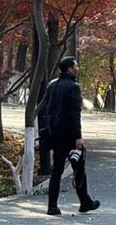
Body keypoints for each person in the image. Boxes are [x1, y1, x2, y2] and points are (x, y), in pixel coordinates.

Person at [39, 56, 100, 216]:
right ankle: (85, 202)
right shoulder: (73, 87)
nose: (78, 68)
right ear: (69, 69)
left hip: (55, 134)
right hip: (70, 135)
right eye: (76, 66)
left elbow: (47, 108)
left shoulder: (52, 85)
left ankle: (52, 206)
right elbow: (75, 114)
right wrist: (78, 137)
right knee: (79, 168)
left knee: (56, 170)